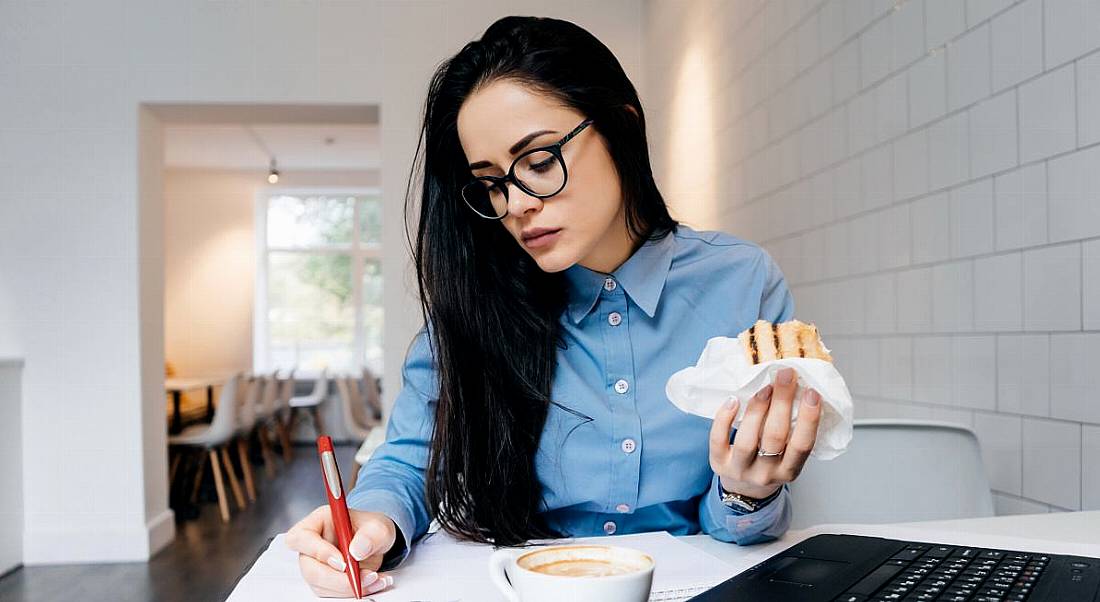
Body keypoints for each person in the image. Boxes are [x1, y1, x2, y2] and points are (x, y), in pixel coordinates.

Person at [286, 15, 823, 598]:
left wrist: (749, 493)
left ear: (621, 125)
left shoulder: (741, 282)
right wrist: (372, 523)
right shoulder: (477, 303)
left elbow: (731, 523)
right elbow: (409, 463)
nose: (515, 204)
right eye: (491, 182)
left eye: (539, 161)